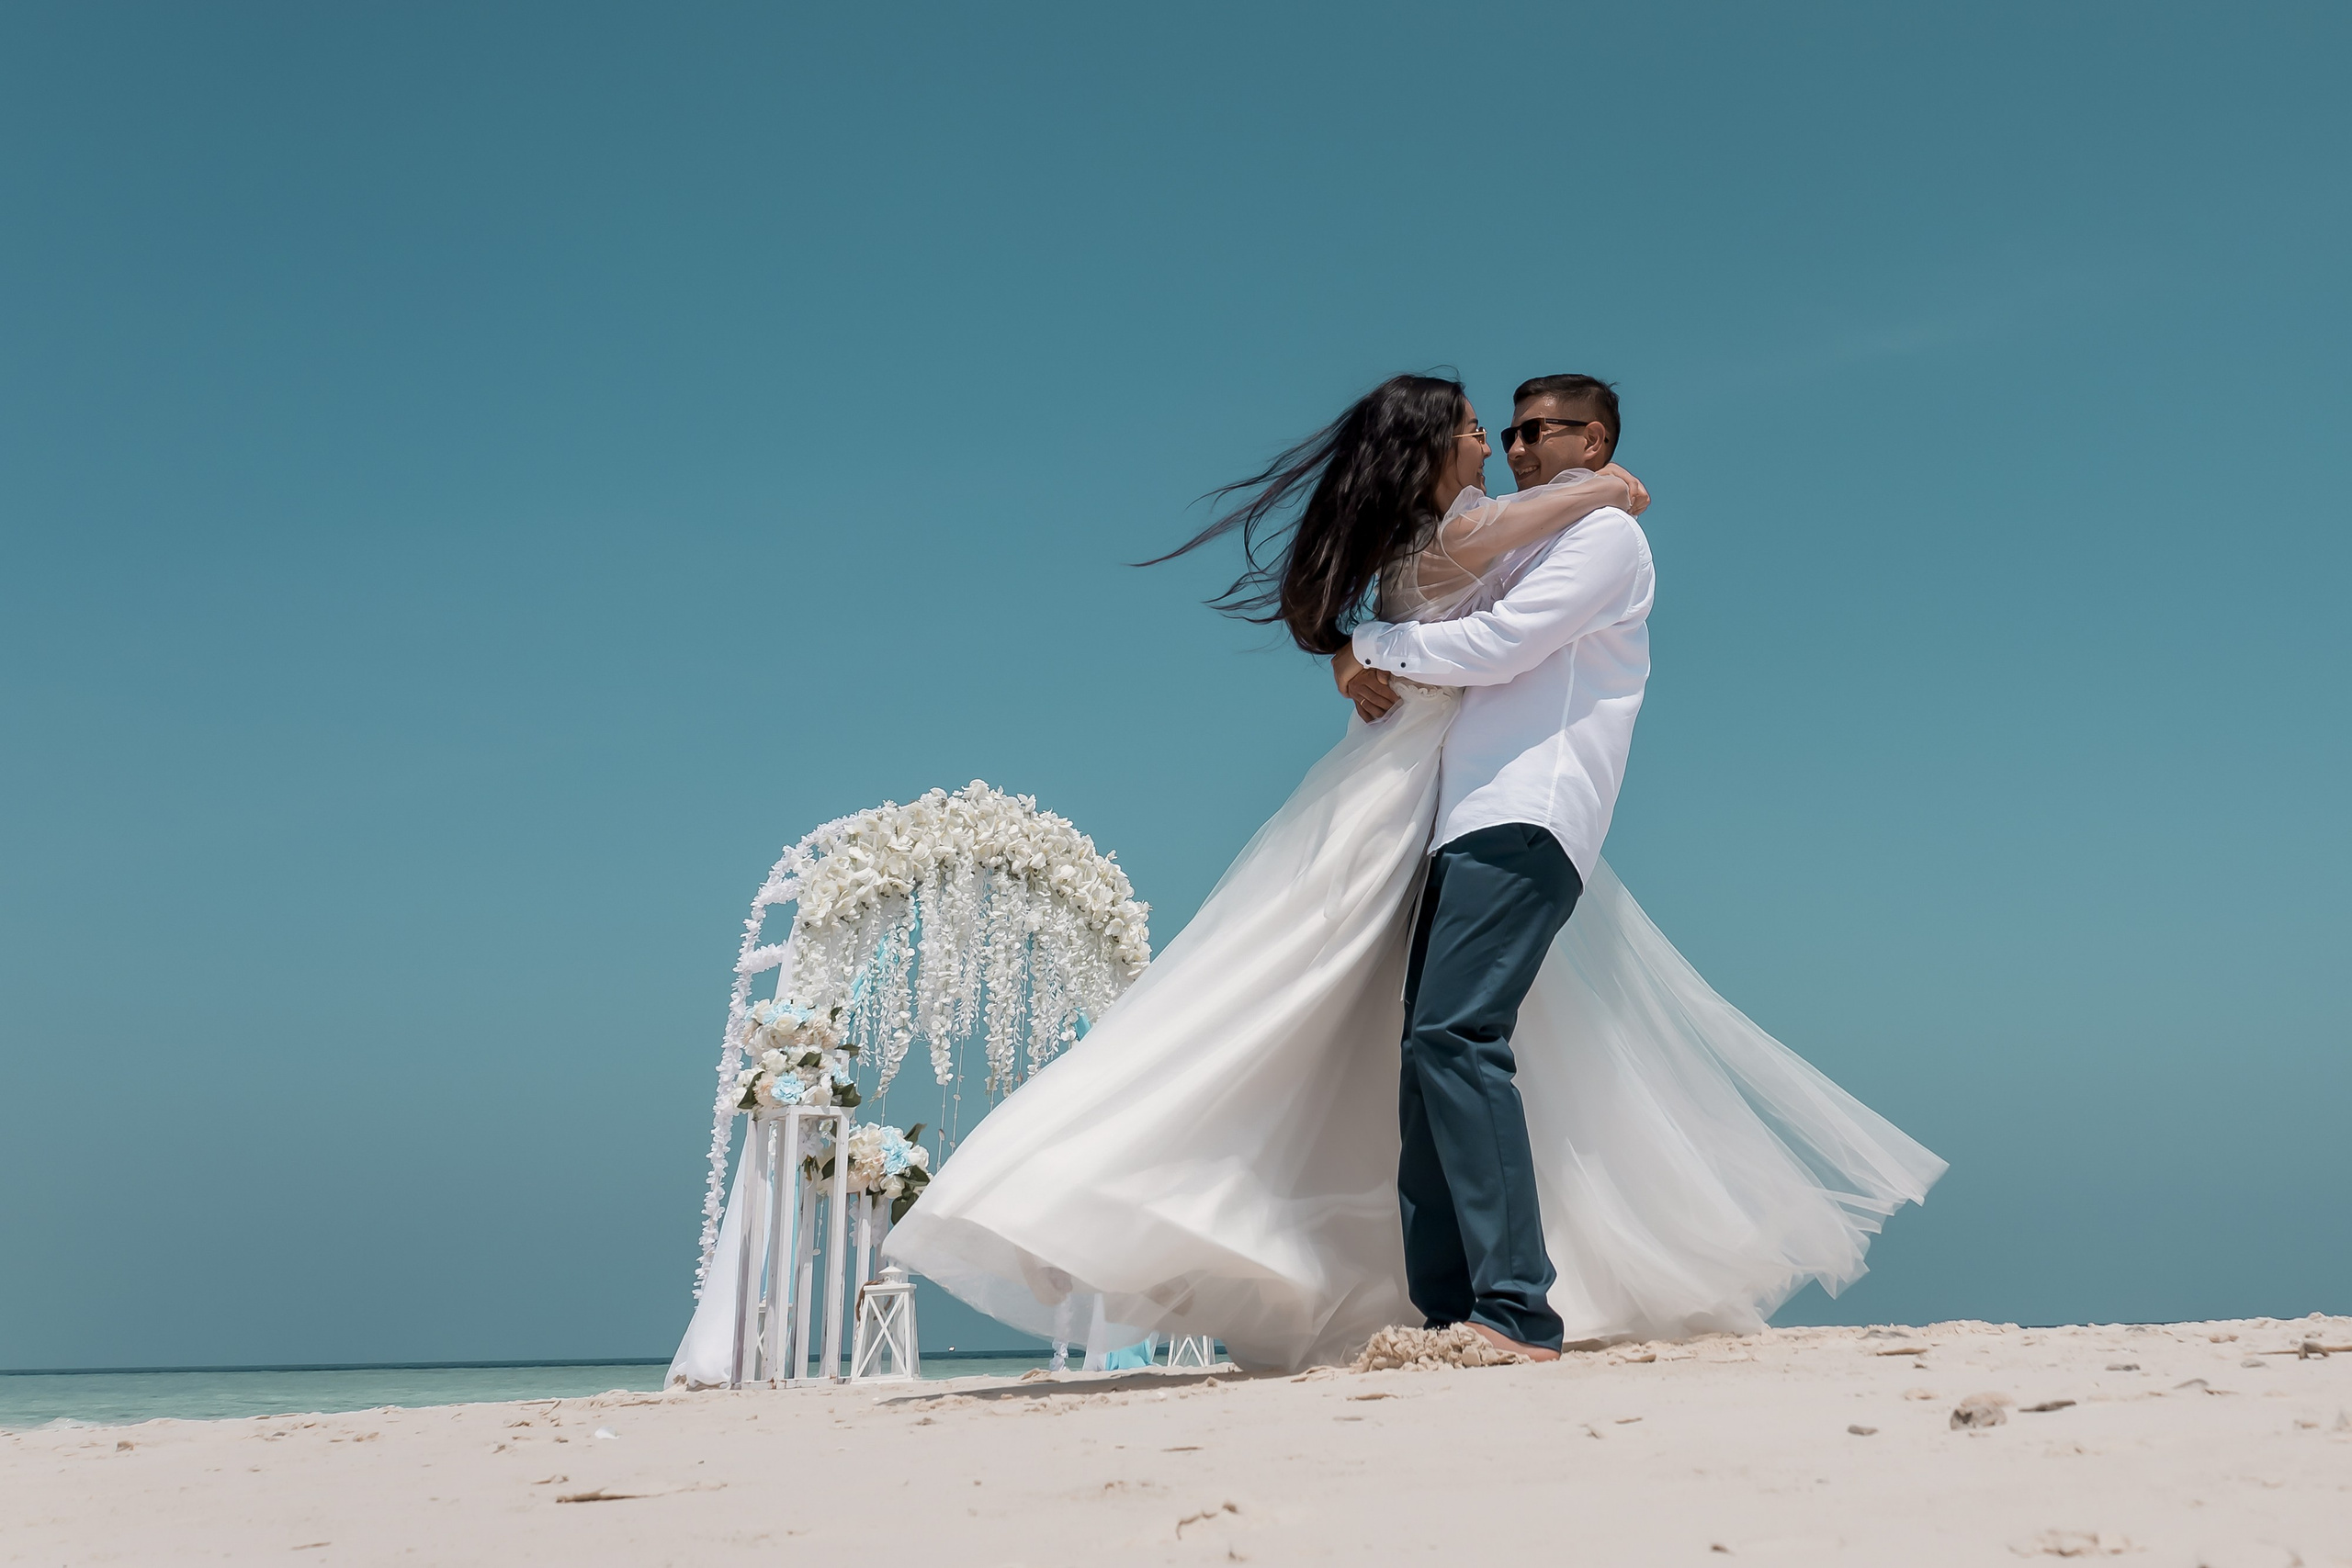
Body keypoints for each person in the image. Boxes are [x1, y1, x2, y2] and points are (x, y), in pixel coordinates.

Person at [882, 374, 1943, 1373]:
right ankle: (1449, 1309)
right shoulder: (1520, 530)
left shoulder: (1604, 537)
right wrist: (1358, 645)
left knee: (1455, 1037)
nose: (1513, 446)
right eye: (1503, 430)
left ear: (1593, 440)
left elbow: (1498, 648)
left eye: (1534, 431)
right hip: (1455, 816)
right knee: (1423, 1054)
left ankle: (1515, 1309)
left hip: (1529, 809)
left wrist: (1373, 647)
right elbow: (1440, 582)